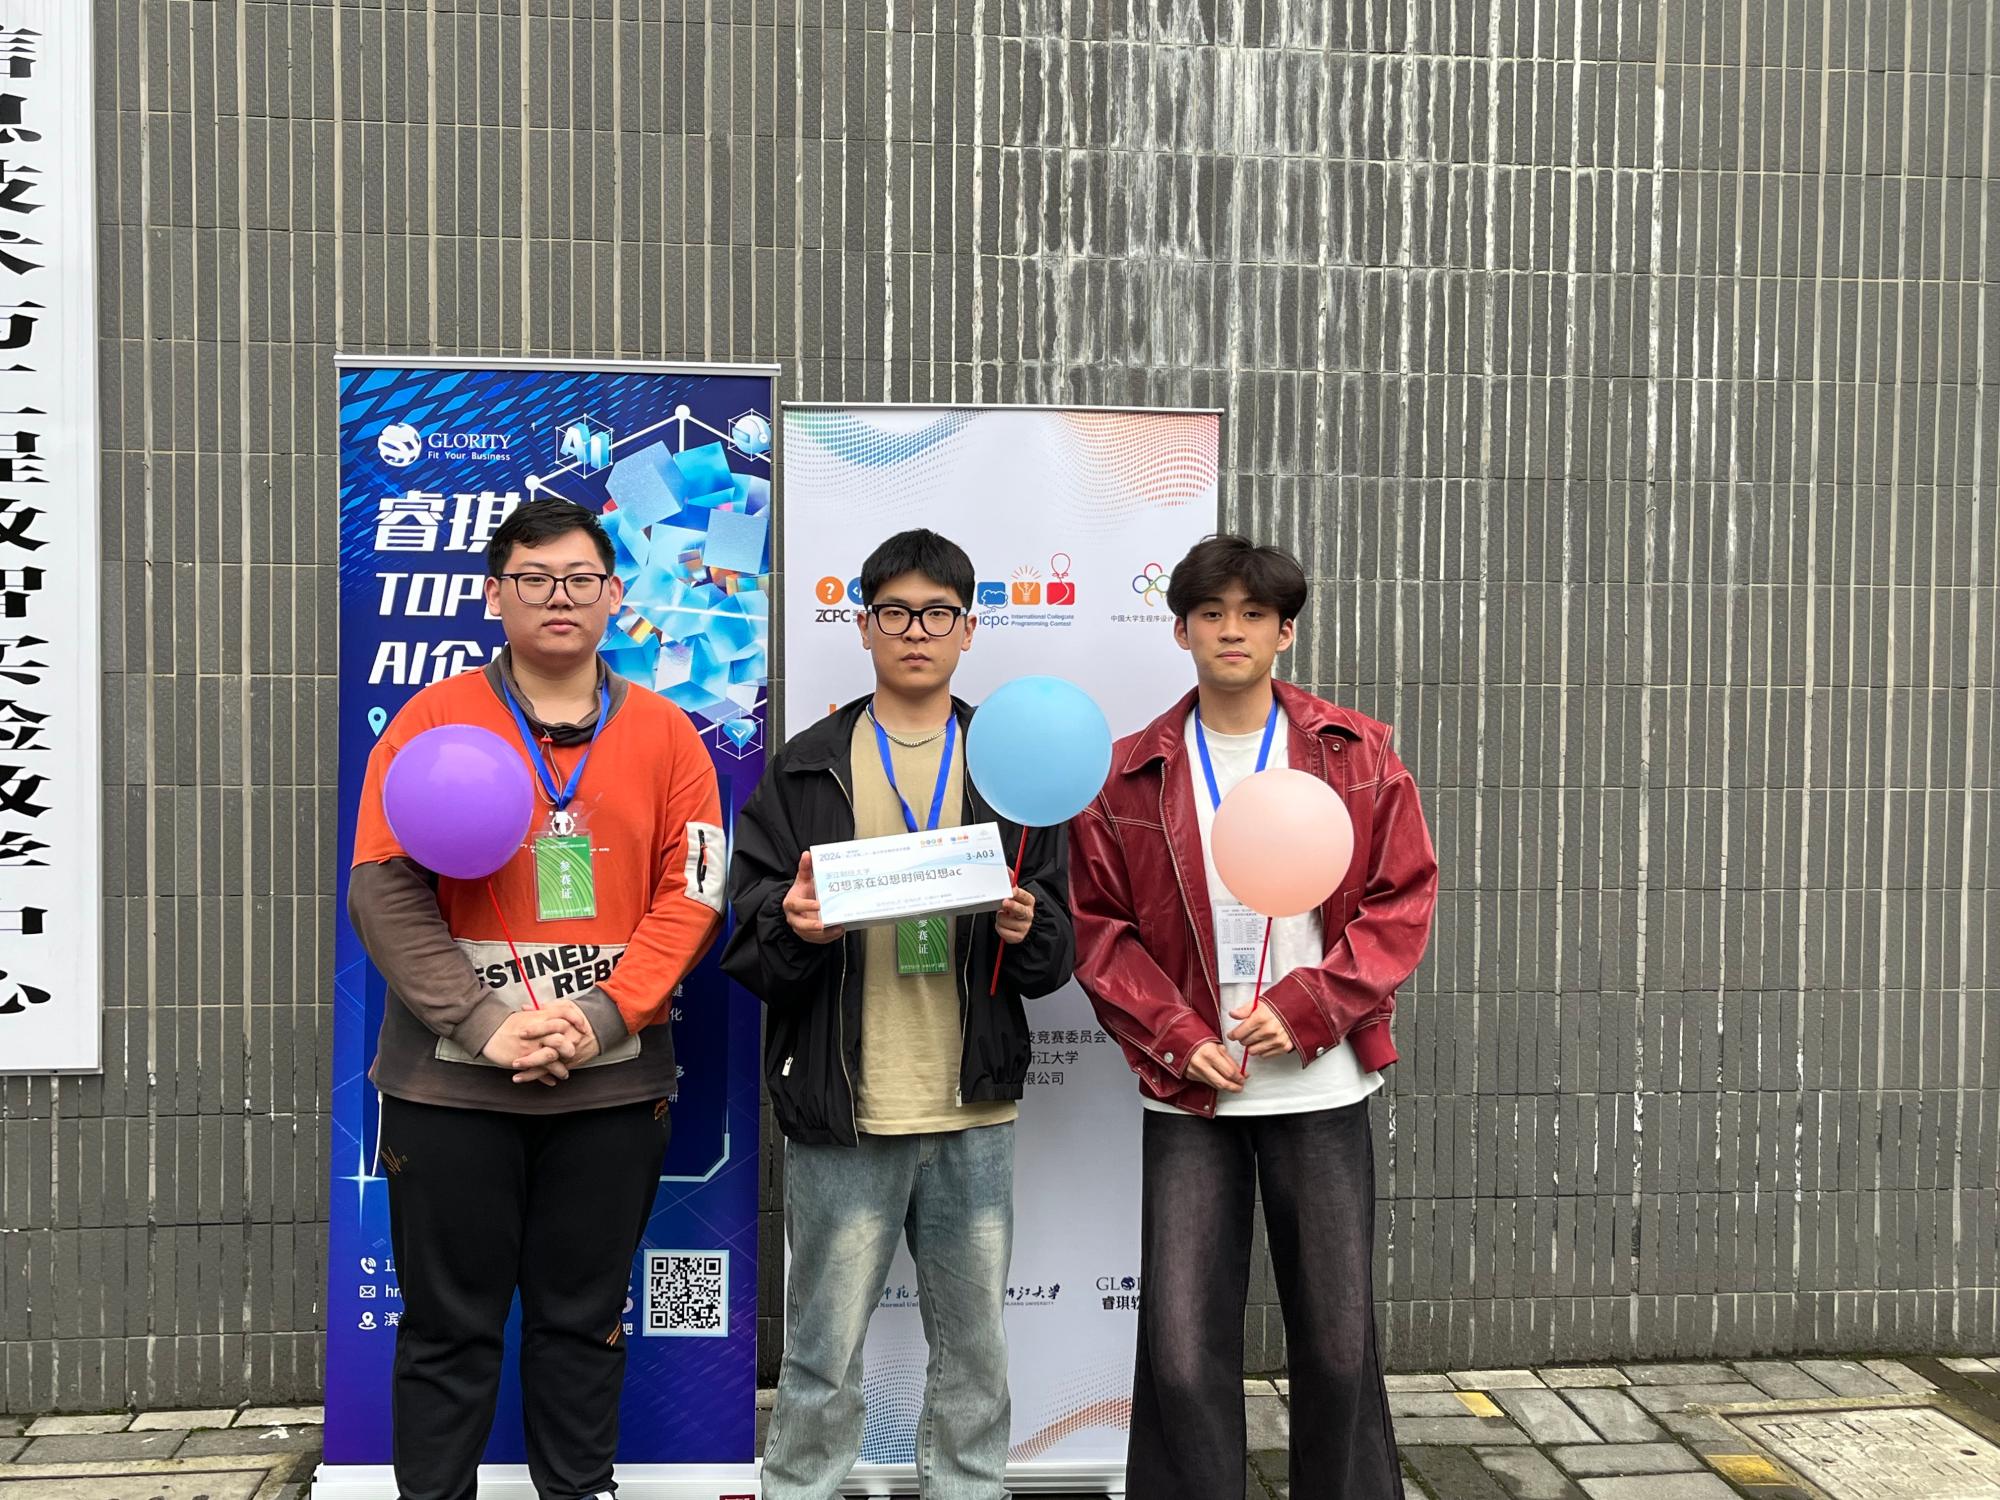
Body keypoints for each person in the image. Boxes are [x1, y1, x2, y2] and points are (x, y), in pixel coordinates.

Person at [348, 497, 727, 1500]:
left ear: (614, 594)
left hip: (610, 1089)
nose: (558, 597)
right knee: (447, 1328)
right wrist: (488, 1025)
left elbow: (693, 893)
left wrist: (599, 1017)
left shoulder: (670, 736)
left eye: (579, 579)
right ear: (494, 595)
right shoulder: (432, 723)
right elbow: (383, 892)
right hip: (450, 1089)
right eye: (532, 578)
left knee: (584, 1322)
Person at [1068, 534, 1437, 1499]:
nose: (1232, 630)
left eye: (1254, 614)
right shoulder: (1129, 770)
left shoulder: (1356, 752)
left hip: (1319, 1083)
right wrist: (1178, 1038)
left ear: (1285, 632)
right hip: (1192, 1093)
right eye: (1212, 613)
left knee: (1339, 1345)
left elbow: (1401, 899)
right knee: (1183, 1351)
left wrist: (1309, 1004)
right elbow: (1100, 931)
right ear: (1181, 630)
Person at [722, 527, 1075, 1500]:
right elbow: (750, 929)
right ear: (863, 625)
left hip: (972, 1107)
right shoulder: (805, 767)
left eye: (936, 613)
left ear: (968, 628)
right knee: (820, 1350)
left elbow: (1056, 951)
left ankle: (968, 1488)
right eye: (894, 612)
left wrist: (1027, 928)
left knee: (975, 1348)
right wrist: (793, 924)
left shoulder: (1010, 764)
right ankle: (800, 1489)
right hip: (845, 1105)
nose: (915, 631)